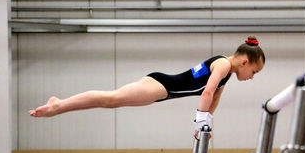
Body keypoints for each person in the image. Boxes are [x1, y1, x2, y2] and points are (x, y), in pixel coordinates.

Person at [29, 36, 265, 133]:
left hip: (163, 91)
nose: (251, 77)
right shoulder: (223, 64)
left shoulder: (227, 71)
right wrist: (200, 119)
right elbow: (208, 91)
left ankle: (60, 105)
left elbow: (214, 98)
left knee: (111, 102)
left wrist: (206, 123)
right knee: (110, 99)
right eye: (253, 71)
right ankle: (58, 105)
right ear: (244, 61)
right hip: (161, 85)